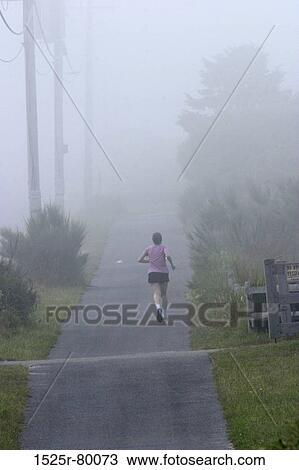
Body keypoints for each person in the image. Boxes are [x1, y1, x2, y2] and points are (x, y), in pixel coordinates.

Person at [138, 232, 175, 322]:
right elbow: (168, 256)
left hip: (153, 273)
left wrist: (150, 261)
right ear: (161, 239)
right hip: (163, 273)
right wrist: (172, 264)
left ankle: (158, 308)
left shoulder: (148, 249)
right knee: (164, 295)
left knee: (156, 293)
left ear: (153, 240)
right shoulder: (163, 248)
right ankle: (165, 313)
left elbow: (139, 259)